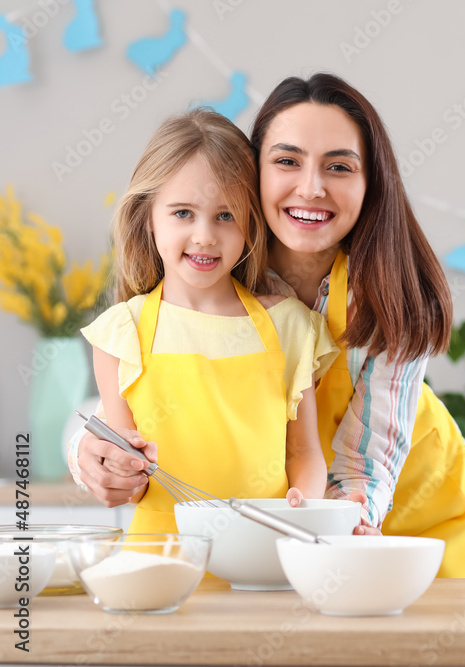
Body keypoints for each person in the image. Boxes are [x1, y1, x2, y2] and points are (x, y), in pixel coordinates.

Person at [72, 74, 465, 576]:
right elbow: (140, 406)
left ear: (370, 182)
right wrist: (89, 456)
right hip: (293, 535)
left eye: (339, 166)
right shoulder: (218, 267)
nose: (311, 188)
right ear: (252, 175)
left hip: (412, 520)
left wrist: (332, 525)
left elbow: (365, 462)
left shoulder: (391, 289)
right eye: (287, 161)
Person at [79, 109, 335, 534]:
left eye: (226, 215)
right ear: (148, 216)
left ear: (251, 224)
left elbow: (304, 452)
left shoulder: (290, 326)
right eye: (182, 213)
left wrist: (302, 507)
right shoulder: (120, 333)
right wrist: (121, 471)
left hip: (264, 549)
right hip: (161, 560)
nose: (205, 236)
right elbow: (135, 483)